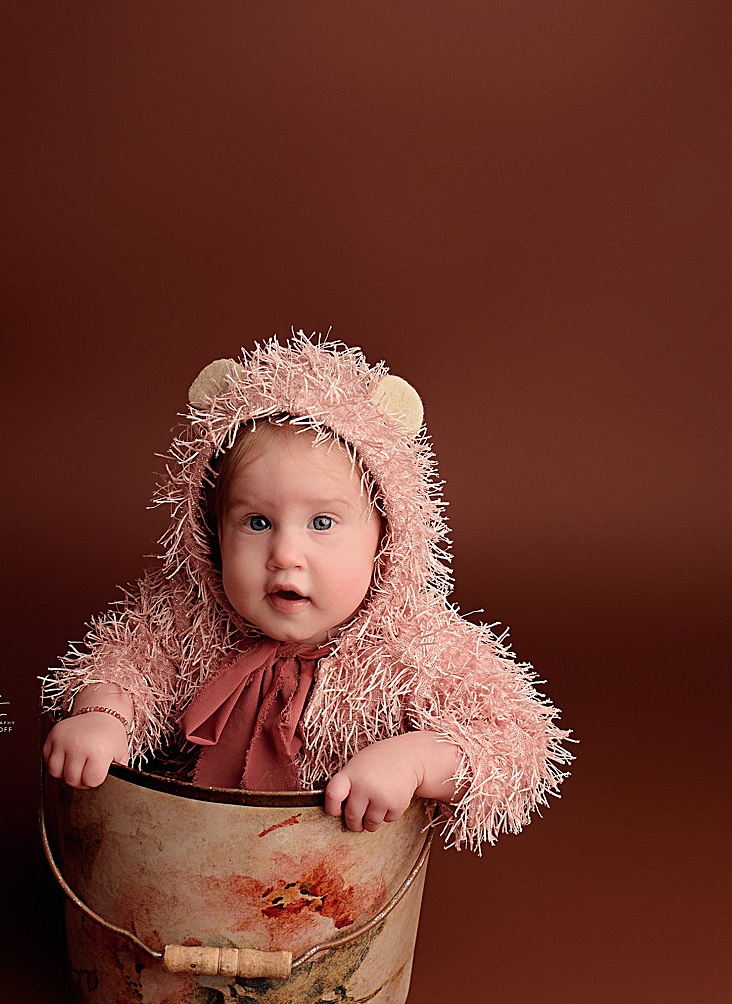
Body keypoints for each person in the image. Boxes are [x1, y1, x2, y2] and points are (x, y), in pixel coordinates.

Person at [42, 333, 570, 850]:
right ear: (211, 534)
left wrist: (415, 761)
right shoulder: (186, 620)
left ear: (387, 538)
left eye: (322, 522)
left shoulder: (414, 647)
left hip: (334, 887)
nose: (285, 554)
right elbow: (124, 663)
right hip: (180, 858)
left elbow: (515, 741)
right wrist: (103, 716)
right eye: (256, 522)